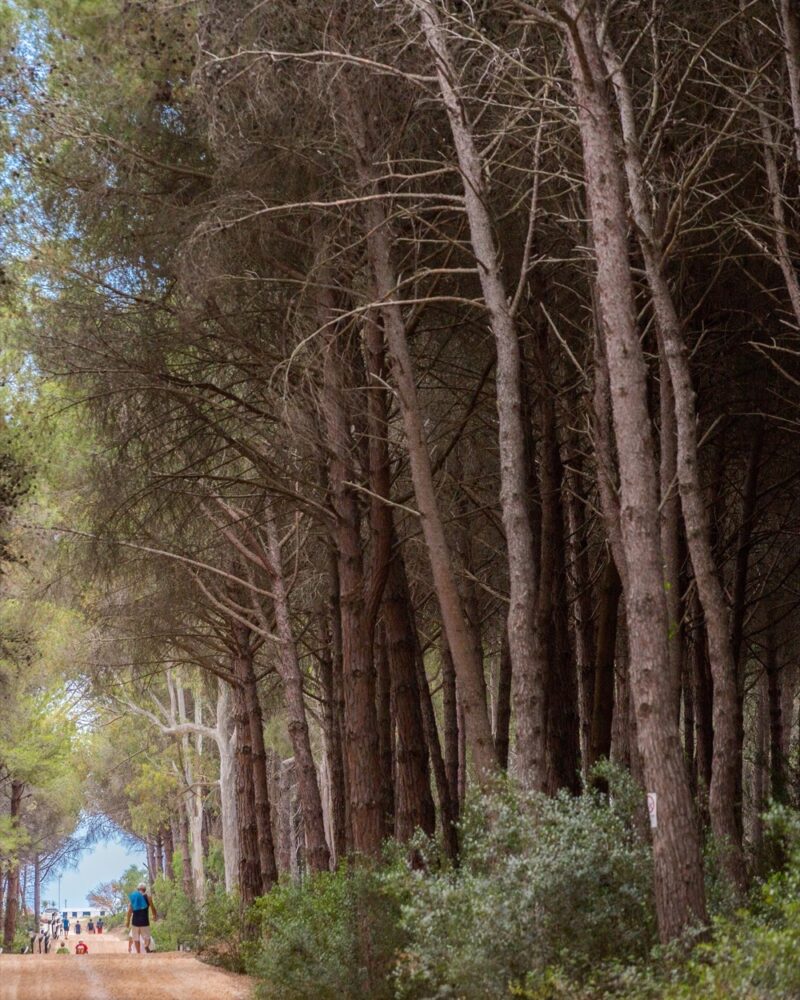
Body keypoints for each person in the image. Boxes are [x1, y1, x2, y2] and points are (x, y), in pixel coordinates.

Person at [126, 882, 158, 954]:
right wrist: (154, 915)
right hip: (145, 921)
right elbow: (152, 907)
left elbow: (129, 911)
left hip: (135, 921)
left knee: (136, 938)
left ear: (138, 889)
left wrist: (127, 921)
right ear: (145, 889)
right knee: (147, 937)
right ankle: (146, 945)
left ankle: (138, 953)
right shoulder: (148, 897)